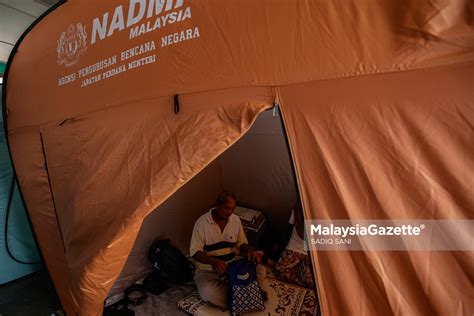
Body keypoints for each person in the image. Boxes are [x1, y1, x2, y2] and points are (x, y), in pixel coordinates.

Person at [190, 190, 267, 308]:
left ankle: (237, 295)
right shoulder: (201, 223)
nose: (229, 212)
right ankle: (245, 295)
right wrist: (213, 262)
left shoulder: (235, 220)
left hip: (232, 265)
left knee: (261, 270)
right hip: (208, 270)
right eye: (226, 208)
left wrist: (249, 251)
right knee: (207, 291)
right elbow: (195, 252)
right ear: (217, 205)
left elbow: (242, 244)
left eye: (232, 209)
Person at [274, 200, 315, 288]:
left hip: (312, 253)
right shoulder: (299, 205)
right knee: (280, 271)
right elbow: (290, 228)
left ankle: (304, 274)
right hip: (295, 247)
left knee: (313, 281)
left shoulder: (327, 209)